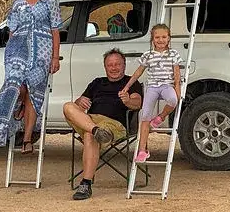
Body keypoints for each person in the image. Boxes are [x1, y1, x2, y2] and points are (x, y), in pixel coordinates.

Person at [0, 0, 61, 153]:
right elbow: (12, 30)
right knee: (15, 87)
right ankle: (13, 111)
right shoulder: (18, 3)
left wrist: (55, 57)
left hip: (42, 54)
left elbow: (55, 31)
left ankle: (27, 139)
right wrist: (9, 53)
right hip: (18, 50)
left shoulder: (49, 3)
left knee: (34, 94)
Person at [62, 49, 143, 201]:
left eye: (117, 64)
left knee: (89, 135)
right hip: (91, 121)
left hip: (114, 124)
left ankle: (85, 184)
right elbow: (79, 104)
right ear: (105, 67)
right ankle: (96, 130)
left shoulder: (131, 82)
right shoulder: (97, 82)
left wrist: (127, 100)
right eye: (110, 65)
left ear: (124, 65)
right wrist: (80, 102)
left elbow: (137, 103)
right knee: (68, 106)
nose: (114, 68)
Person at [121, 24, 183, 163]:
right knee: (145, 116)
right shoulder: (148, 55)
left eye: (164, 37)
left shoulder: (173, 54)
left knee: (173, 100)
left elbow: (177, 73)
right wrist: (127, 86)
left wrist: (177, 87)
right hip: (153, 87)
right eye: (157, 37)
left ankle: (161, 117)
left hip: (167, 85)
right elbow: (138, 72)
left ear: (168, 39)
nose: (160, 40)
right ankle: (143, 150)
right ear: (152, 39)